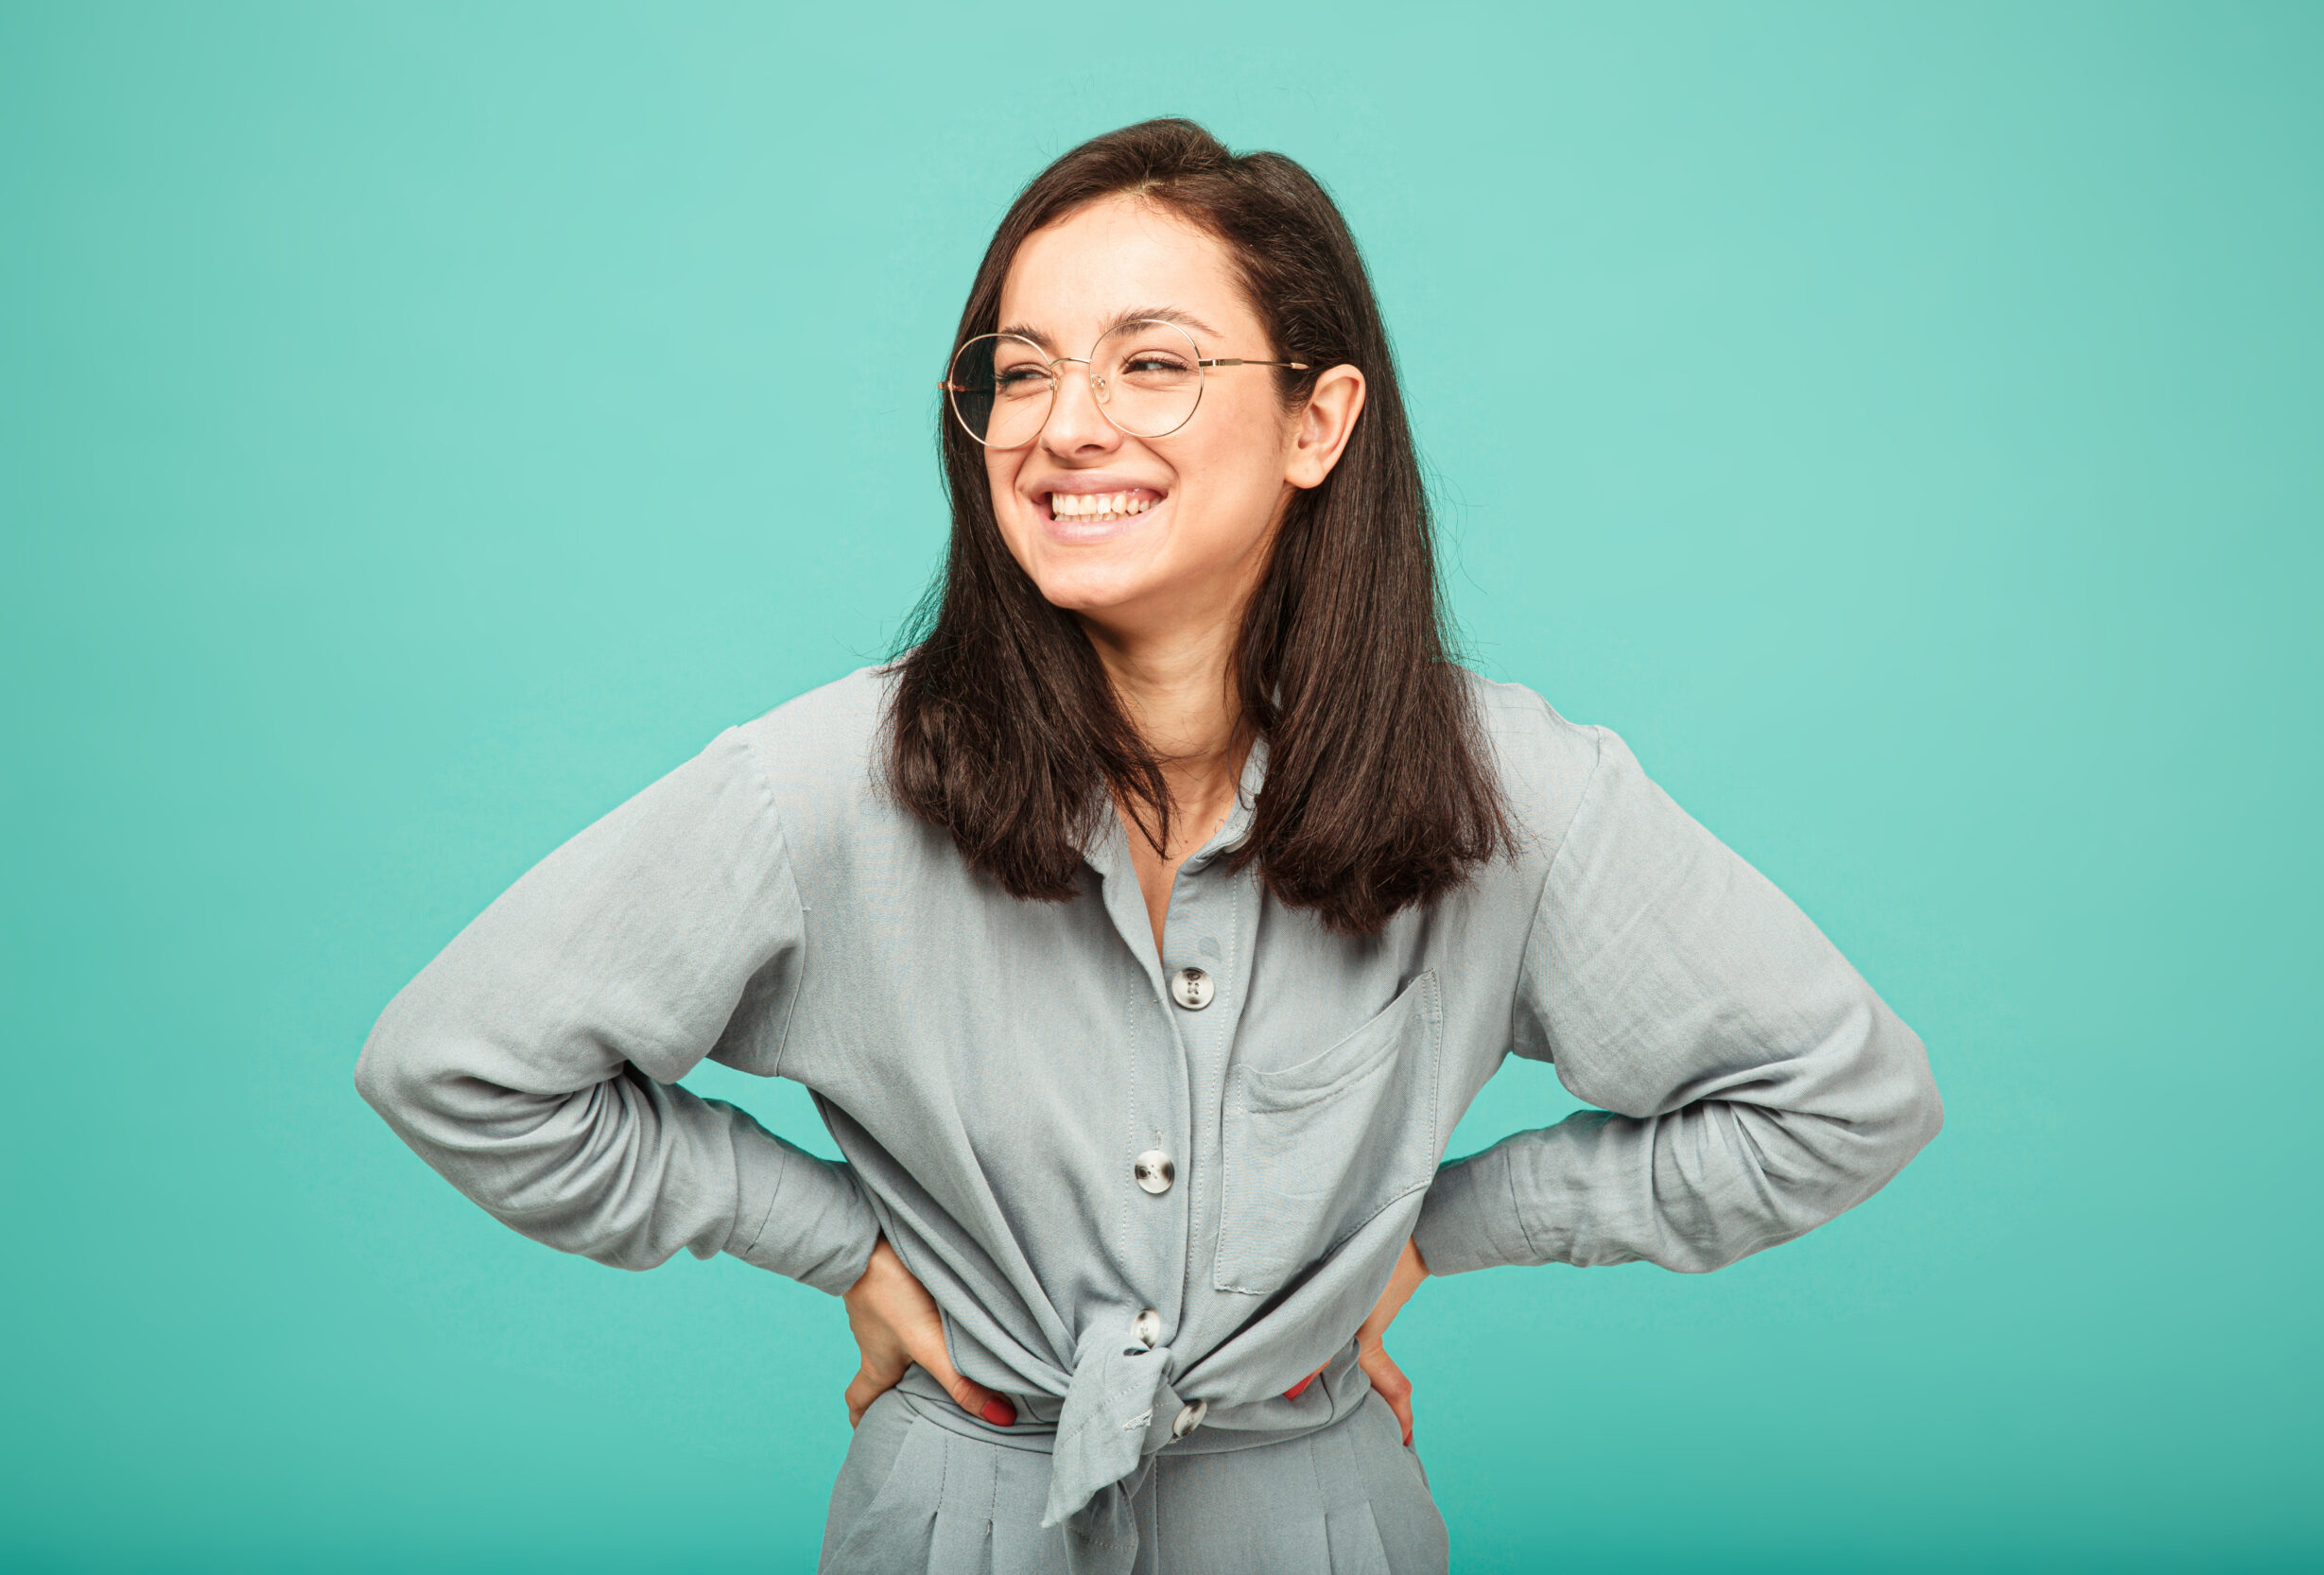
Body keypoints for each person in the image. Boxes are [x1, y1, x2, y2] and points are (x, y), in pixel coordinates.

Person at [356, 117, 1944, 1575]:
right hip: (957, 1517)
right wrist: (843, 1248)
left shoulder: (1509, 790)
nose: (1065, 428)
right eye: (1021, 372)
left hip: (1323, 1518)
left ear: (1318, 421)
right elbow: (463, 1065)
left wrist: (1432, 1236)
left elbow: (1841, 1096)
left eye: (1153, 363)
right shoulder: (827, 781)